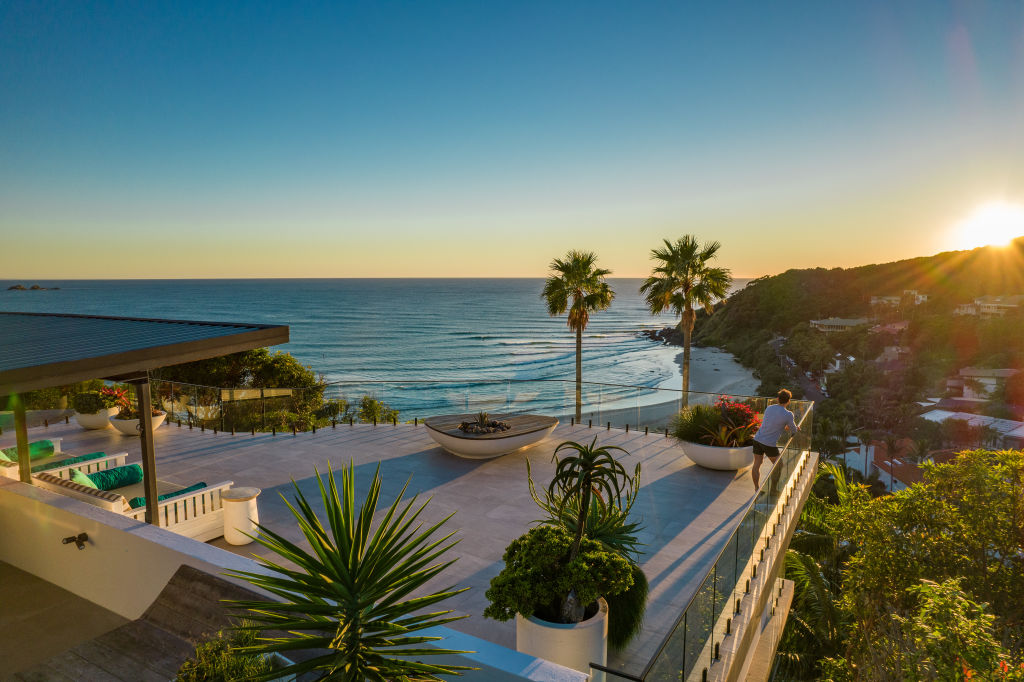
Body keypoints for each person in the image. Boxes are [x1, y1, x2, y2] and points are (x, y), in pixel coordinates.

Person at [751, 389, 800, 491]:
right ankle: (773, 489)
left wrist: (785, 426)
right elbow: (794, 430)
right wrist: (793, 428)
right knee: (779, 465)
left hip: (758, 439)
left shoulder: (769, 408)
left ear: (778, 399)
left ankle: (756, 489)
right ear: (788, 401)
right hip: (769, 444)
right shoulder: (788, 414)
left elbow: (773, 422)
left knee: (756, 464)